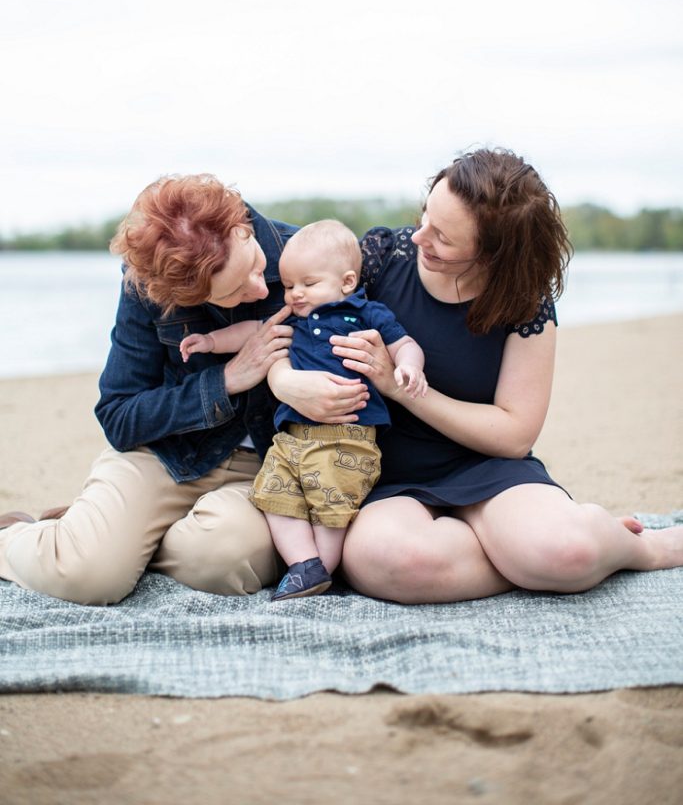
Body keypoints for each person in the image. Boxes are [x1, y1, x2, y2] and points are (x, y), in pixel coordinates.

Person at [269, 149, 683, 602]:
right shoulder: (382, 256)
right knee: (383, 559)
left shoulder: (524, 300)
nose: (421, 236)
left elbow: (513, 435)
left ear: (492, 254)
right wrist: (283, 381)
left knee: (566, 550)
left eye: (443, 237)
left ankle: (632, 548)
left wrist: (399, 388)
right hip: (384, 477)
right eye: (425, 215)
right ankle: (530, 553)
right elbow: (286, 319)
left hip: (488, 468)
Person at [0, 174, 315, 604]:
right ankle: (33, 538)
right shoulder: (151, 283)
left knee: (221, 561)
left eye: (257, 267)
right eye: (235, 292)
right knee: (87, 577)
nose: (260, 289)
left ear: (242, 226)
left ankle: (100, 533)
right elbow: (119, 415)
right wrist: (224, 382)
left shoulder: (310, 256)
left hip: (265, 466)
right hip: (166, 454)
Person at [179, 219, 426, 601]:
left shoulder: (365, 315)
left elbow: (404, 343)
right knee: (274, 496)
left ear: (346, 282)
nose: (295, 294)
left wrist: (409, 366)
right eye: (290, 285)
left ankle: (323, 569)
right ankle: (304, 565)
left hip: (347, 439)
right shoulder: (294, 318)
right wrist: (210, 341)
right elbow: (251, 332)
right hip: (291, 439)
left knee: (331, 506)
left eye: (308, 284)